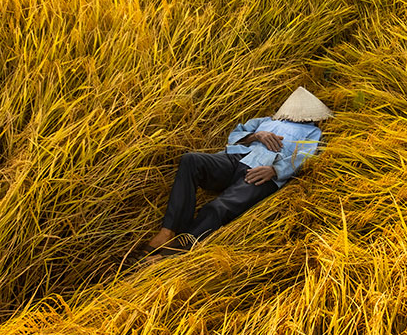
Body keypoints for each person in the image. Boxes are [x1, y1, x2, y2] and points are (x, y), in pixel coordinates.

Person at [136, 86, 333, 259]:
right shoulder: (265, 120)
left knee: (220, 207)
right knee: (191, 160)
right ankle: (168, 231)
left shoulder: (312, 133)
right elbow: (236, 135)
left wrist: (275, 170)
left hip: (261, 171)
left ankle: (175, 252)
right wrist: (256, 135)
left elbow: (307, 156)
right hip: (235, 158)